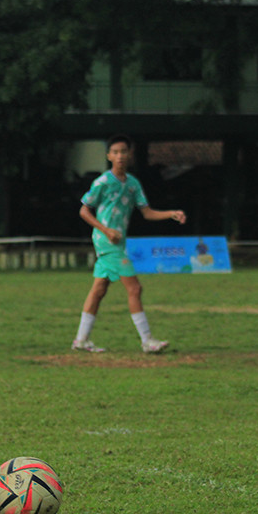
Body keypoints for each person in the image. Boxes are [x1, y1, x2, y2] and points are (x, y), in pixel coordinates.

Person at [71, 134, 187, 354]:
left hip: (118, 242)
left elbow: (147, 212)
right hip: (106, 241)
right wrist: (106, 230)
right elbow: (84, 210)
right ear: (108, 156)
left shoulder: (133, 184)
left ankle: (81, 340)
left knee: (99, 290)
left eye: (123, 151)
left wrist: (171, 213)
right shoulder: (103, 182)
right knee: (134, 288)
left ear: (130, 154)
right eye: (115, 152)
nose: (120, 156)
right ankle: (147, 341)